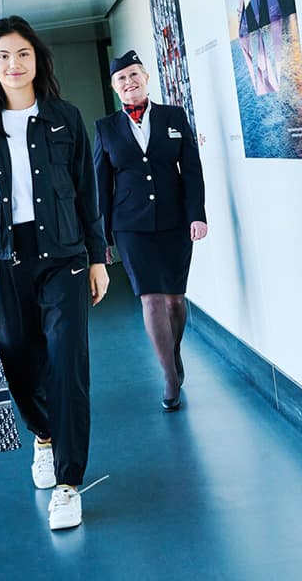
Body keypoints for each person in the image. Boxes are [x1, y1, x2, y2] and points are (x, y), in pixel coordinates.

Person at [0, 16, 109, 531]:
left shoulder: (65, 118)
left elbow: (87, 193)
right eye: (3, 57)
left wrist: (98, 258)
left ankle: (68, 482)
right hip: (2, 261)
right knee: (17, 360)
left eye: (22, 54)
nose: (14, 64)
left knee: (67, 363)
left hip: (63, 257)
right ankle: (42, 435)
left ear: (36, 60)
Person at [93, 51, 207, 412]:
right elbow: (100, 182)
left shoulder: (173, 117)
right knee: (151, 298)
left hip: (175, 221)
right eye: (121, 79)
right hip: (130, 226)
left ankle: (172, 355)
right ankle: (170, 378)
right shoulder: (105, 128)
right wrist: (103, 238)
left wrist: (197, 215)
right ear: (114, 88)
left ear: (145, 77)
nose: (129, 82)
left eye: (134, 75)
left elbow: (191, 169)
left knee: (175, 299)